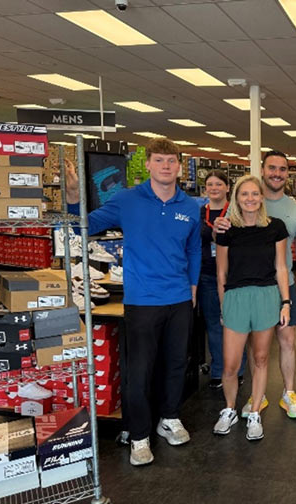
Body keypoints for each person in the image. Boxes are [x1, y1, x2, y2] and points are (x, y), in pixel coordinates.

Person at [81, 138, 202, 466]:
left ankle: (170, 417)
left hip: (179, 298)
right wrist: (73, 199)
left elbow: (194, 248)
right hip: (142, 300)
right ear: (147, 164)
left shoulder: (190, 206)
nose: (166, 166)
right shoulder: (127, 200)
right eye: (159, 160)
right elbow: (87, 224)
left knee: (176, 363)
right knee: (140, 370)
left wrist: (192, 285)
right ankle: (139, 435)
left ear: (179, 166)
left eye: (171, 160)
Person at [215, 150, 296, 419]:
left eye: (282, 169)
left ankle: (289, 392)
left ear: (287, 173)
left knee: (288, 340)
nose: (276, 173)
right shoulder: (243, 202)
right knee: (254, 345)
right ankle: (258, 397)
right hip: (245, 289)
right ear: (263, 170)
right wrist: (216, 227)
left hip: (281, 285)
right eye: (272, 168)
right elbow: (223, 236)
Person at [212, 176, 290, 441]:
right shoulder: (227, 230)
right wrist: (224, 307)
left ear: (261, 197)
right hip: (235, 298)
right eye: (244, 194)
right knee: (230, 365)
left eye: (254, 193)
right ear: (236, 198)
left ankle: (255, 412)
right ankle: (229, 409)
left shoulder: (275, 227)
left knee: (261, 358)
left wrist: (286, 302)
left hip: (266, 296)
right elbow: (221, 273)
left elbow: (281, 267)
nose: (250, 199)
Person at [197, 170, 246, 389]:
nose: (214, 188)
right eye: (210, 184)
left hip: (233, 276)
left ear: (227, 188)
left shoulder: (237, 212)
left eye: (219, 184)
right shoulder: (200, 213)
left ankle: (238, 370)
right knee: (214, 324)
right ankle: (218, 370)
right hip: (208, 274)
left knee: (236, 323)